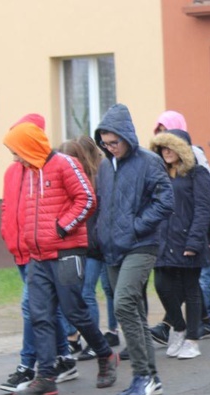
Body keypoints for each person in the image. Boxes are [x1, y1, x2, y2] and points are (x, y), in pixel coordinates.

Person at [3, 120, 119, 395]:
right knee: (40, 315)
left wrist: (61, 227)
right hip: (38, 256)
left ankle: (105, 355)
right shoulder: (29, 172)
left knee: (74, 311)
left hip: (66, 252)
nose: (14, 157)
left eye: (17, 150)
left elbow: (87, 200)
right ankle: (45, 378)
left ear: (29, 146)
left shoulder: (65, 164)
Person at [95, 103, 174, 395]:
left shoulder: (148, 161)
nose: (110, 147)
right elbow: (103, 205)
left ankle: (142, 375)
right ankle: (150, 376)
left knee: (125, 303)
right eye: (105, 143)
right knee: (133, 311)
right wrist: (98, 236)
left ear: (127, 136)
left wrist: (136, 226)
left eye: (115, 141)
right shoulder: (104, 167)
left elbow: (165, 201)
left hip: (142, 244)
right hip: (113, 247)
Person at [0, 114, 77, 393]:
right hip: (21, 249)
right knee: (44, 309)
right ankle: (64, 358)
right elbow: (9, 207)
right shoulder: (12, 172)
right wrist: (9, 235)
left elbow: (80, 199)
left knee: (31, 308)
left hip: (42, 251)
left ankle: (27, 365)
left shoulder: (44, 169)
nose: (15, 156)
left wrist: (58, 230)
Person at [150, 129, 210, 359]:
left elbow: (203, 210)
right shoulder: (159, 174)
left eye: (170, 147)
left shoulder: (198, 174)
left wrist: (194, 241)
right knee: (162, 285)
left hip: (187, 240)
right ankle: (178, 327)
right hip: (163, 241)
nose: (166, 152)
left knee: (191, 289)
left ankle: (192, 339)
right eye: (162, 148)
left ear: (182, 149)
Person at [59, 137, 122, 360]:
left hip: (97, 246)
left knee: (96, 291)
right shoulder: (75, 179)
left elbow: (102, 214)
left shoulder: (96, 179)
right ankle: (81, 338)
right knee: (86, 291)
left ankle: (102, 337)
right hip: (86, 245)